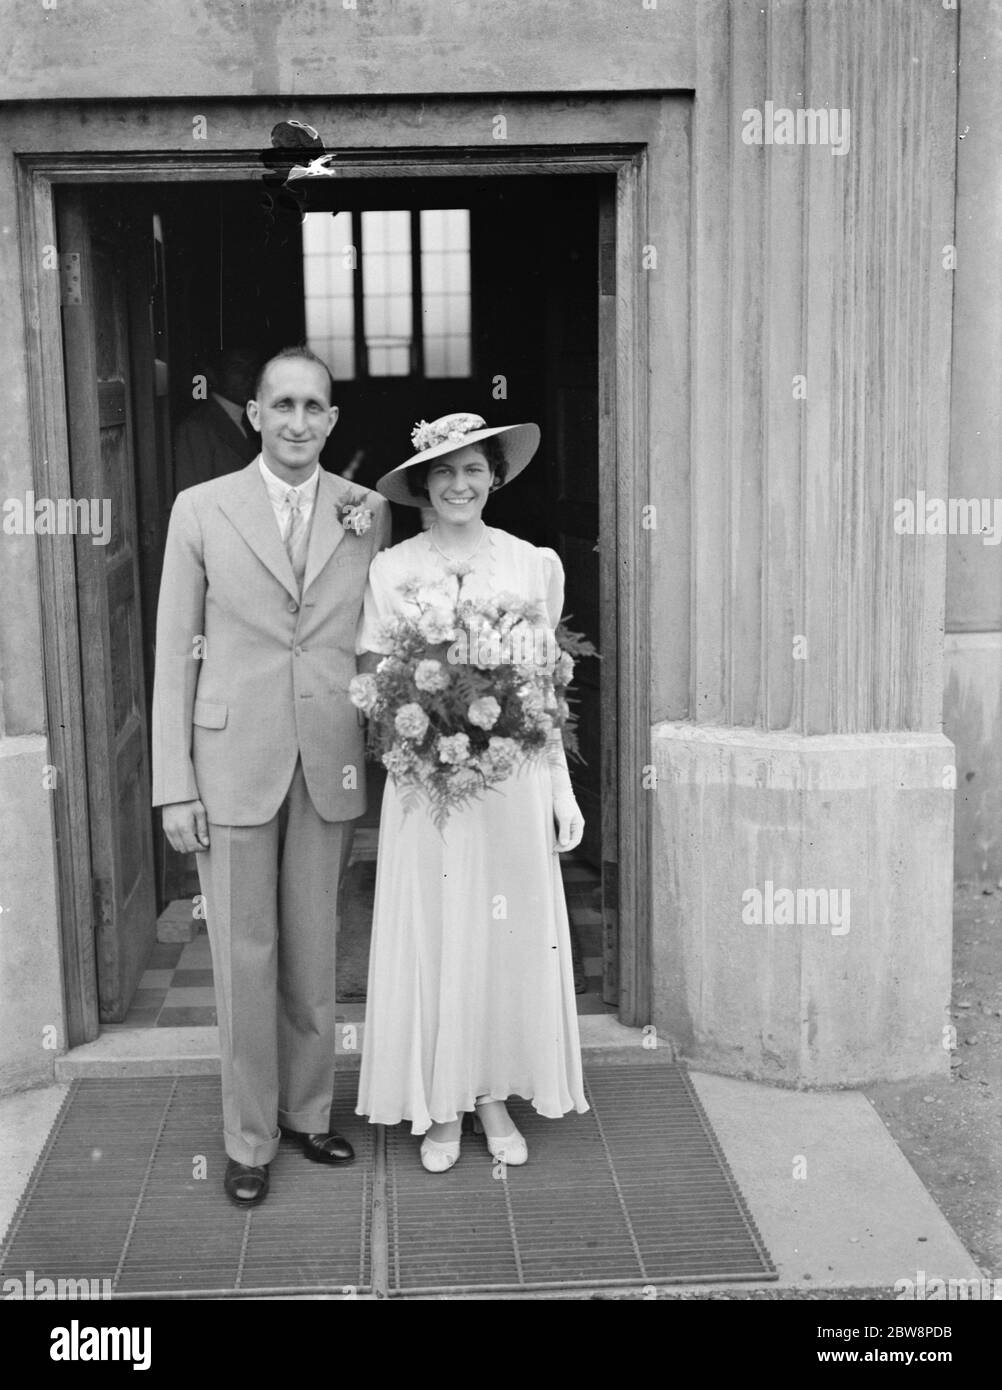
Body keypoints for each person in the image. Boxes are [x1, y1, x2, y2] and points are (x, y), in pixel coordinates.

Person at [151, 345, 390, 1206]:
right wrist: (173, 782)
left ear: (331, 419)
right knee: (242, 955)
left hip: (327, 758)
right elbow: (175, 647)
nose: (297, 422)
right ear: (254, 413)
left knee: (314, 945)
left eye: (313, 408)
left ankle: (309, 1113)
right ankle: (247, 1139)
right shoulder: (200, 508)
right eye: (280, 405)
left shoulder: (367, 511)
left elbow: (373, 637)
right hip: (231, 763)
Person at [355, 411, 588, 1171]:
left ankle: (490, 1095)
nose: (460, 485)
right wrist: (416, 733)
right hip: (431, 784)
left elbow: (545, 689)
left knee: (499, 935)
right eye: (445, 473)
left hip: (508, 784)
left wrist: (560, 791)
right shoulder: (392, 571)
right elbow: (378, 680)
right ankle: (443, 1103)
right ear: (425, 484)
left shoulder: (531, 566)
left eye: (475, 470)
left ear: (496, 477)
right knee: (440, 930)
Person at [172, 347, 261, 493]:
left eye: (252, 368)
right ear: (213, 374)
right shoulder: (196, 428)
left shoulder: (256, 418)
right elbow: (193, 498)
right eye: (237, 367)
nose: (248, 375)